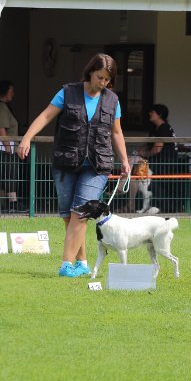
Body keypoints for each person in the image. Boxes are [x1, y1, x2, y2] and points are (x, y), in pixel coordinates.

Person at [17, 53, 131, 278]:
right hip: (66, 161)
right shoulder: (67, 93)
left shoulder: (112, 100)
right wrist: (27, 138)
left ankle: (66, 265)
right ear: (90, 73)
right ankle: (82, 262)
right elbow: (46, 116)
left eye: (107, 79)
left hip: (98, 165)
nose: (103, 83)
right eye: (99, 77)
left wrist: (125, 161)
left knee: (80, 212)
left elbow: (116, 132)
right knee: (68, 216)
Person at [0, 79, 26, 213]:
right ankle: (12, 202)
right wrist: (8, 147)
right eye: (11, 91)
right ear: (4, 92)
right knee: (9, 173)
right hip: (1, 148)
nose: (13, 94)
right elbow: (1, 129)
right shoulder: (1, 107)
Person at [139, 103, 178, 212]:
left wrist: (144, 154)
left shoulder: (164, 127)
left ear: (159, 114)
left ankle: (160, 206)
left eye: (152, 112)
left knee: (148, 178)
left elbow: (157, 148)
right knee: (139, 168)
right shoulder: (155, 128)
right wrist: (140, 151)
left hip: (166, 162)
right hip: (158, 161)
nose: (150, 114)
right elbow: (148, 144)